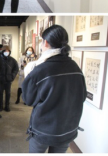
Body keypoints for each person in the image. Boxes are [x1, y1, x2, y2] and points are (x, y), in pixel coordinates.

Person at [22, 24, 86, 153]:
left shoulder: (39, 69)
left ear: (45, 42)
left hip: (43, 130)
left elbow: (28, 100)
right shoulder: (74, 66)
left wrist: (29, 75)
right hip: (68, 128)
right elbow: (82, 96)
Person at [0, 46, 19, 112]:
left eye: (7, 51)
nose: (6, 52)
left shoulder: (12, 60)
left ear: (9, 52)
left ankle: (7, 106)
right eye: (5, 51)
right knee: (0, 93)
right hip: (0, 79)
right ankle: (0, 106)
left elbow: (16, 68)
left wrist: (12, 76)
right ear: (2, 52)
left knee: (8, 93)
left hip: (8, 79)